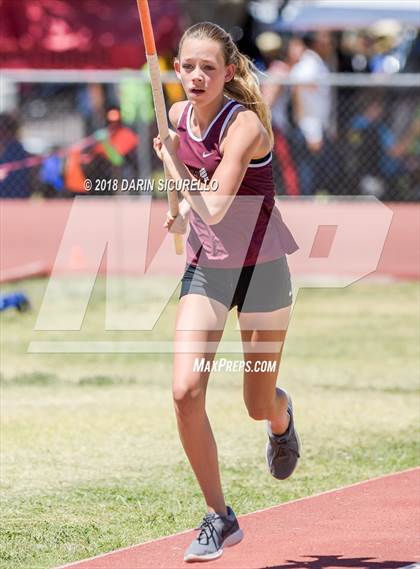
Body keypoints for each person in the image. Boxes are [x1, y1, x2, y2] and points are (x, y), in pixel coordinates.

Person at [152, 22, 301, 562]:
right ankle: (220, 516)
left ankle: (282, 421)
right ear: (177, 68)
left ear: (228, 72)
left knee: (256, 403)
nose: (196, 76)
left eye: (208, 67)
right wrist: (172, 211)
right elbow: (189, 199)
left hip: (262, 270)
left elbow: (214, 205)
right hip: (209, 268)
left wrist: (172, 161)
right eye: (188, 66)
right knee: (185, 391)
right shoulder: (175, 116)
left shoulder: (245, 127)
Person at [289, 31, 335, 195]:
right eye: (326, 39)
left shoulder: (316, 63)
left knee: (315, 172)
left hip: (316, 127)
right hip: (309, 128)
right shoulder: (309, 64)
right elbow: (301, 94)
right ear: (317, 43)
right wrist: (312, 131)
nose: (330, 44)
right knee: (308, 173)